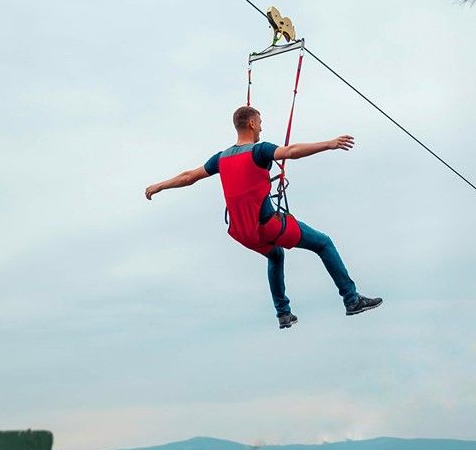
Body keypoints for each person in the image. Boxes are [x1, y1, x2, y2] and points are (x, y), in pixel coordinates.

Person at [145, 105, 382, 329]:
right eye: (259, 122)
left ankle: (283, 313)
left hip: (242, 234)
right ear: (250, 123)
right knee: (324, 243)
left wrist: (160, 185)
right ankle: (352, 300)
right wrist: (329, 144)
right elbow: (290, 151)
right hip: (268, 227)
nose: (261, 128)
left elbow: (189, 176)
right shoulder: (260, 150)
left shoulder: (221, 158)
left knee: (275, 255)